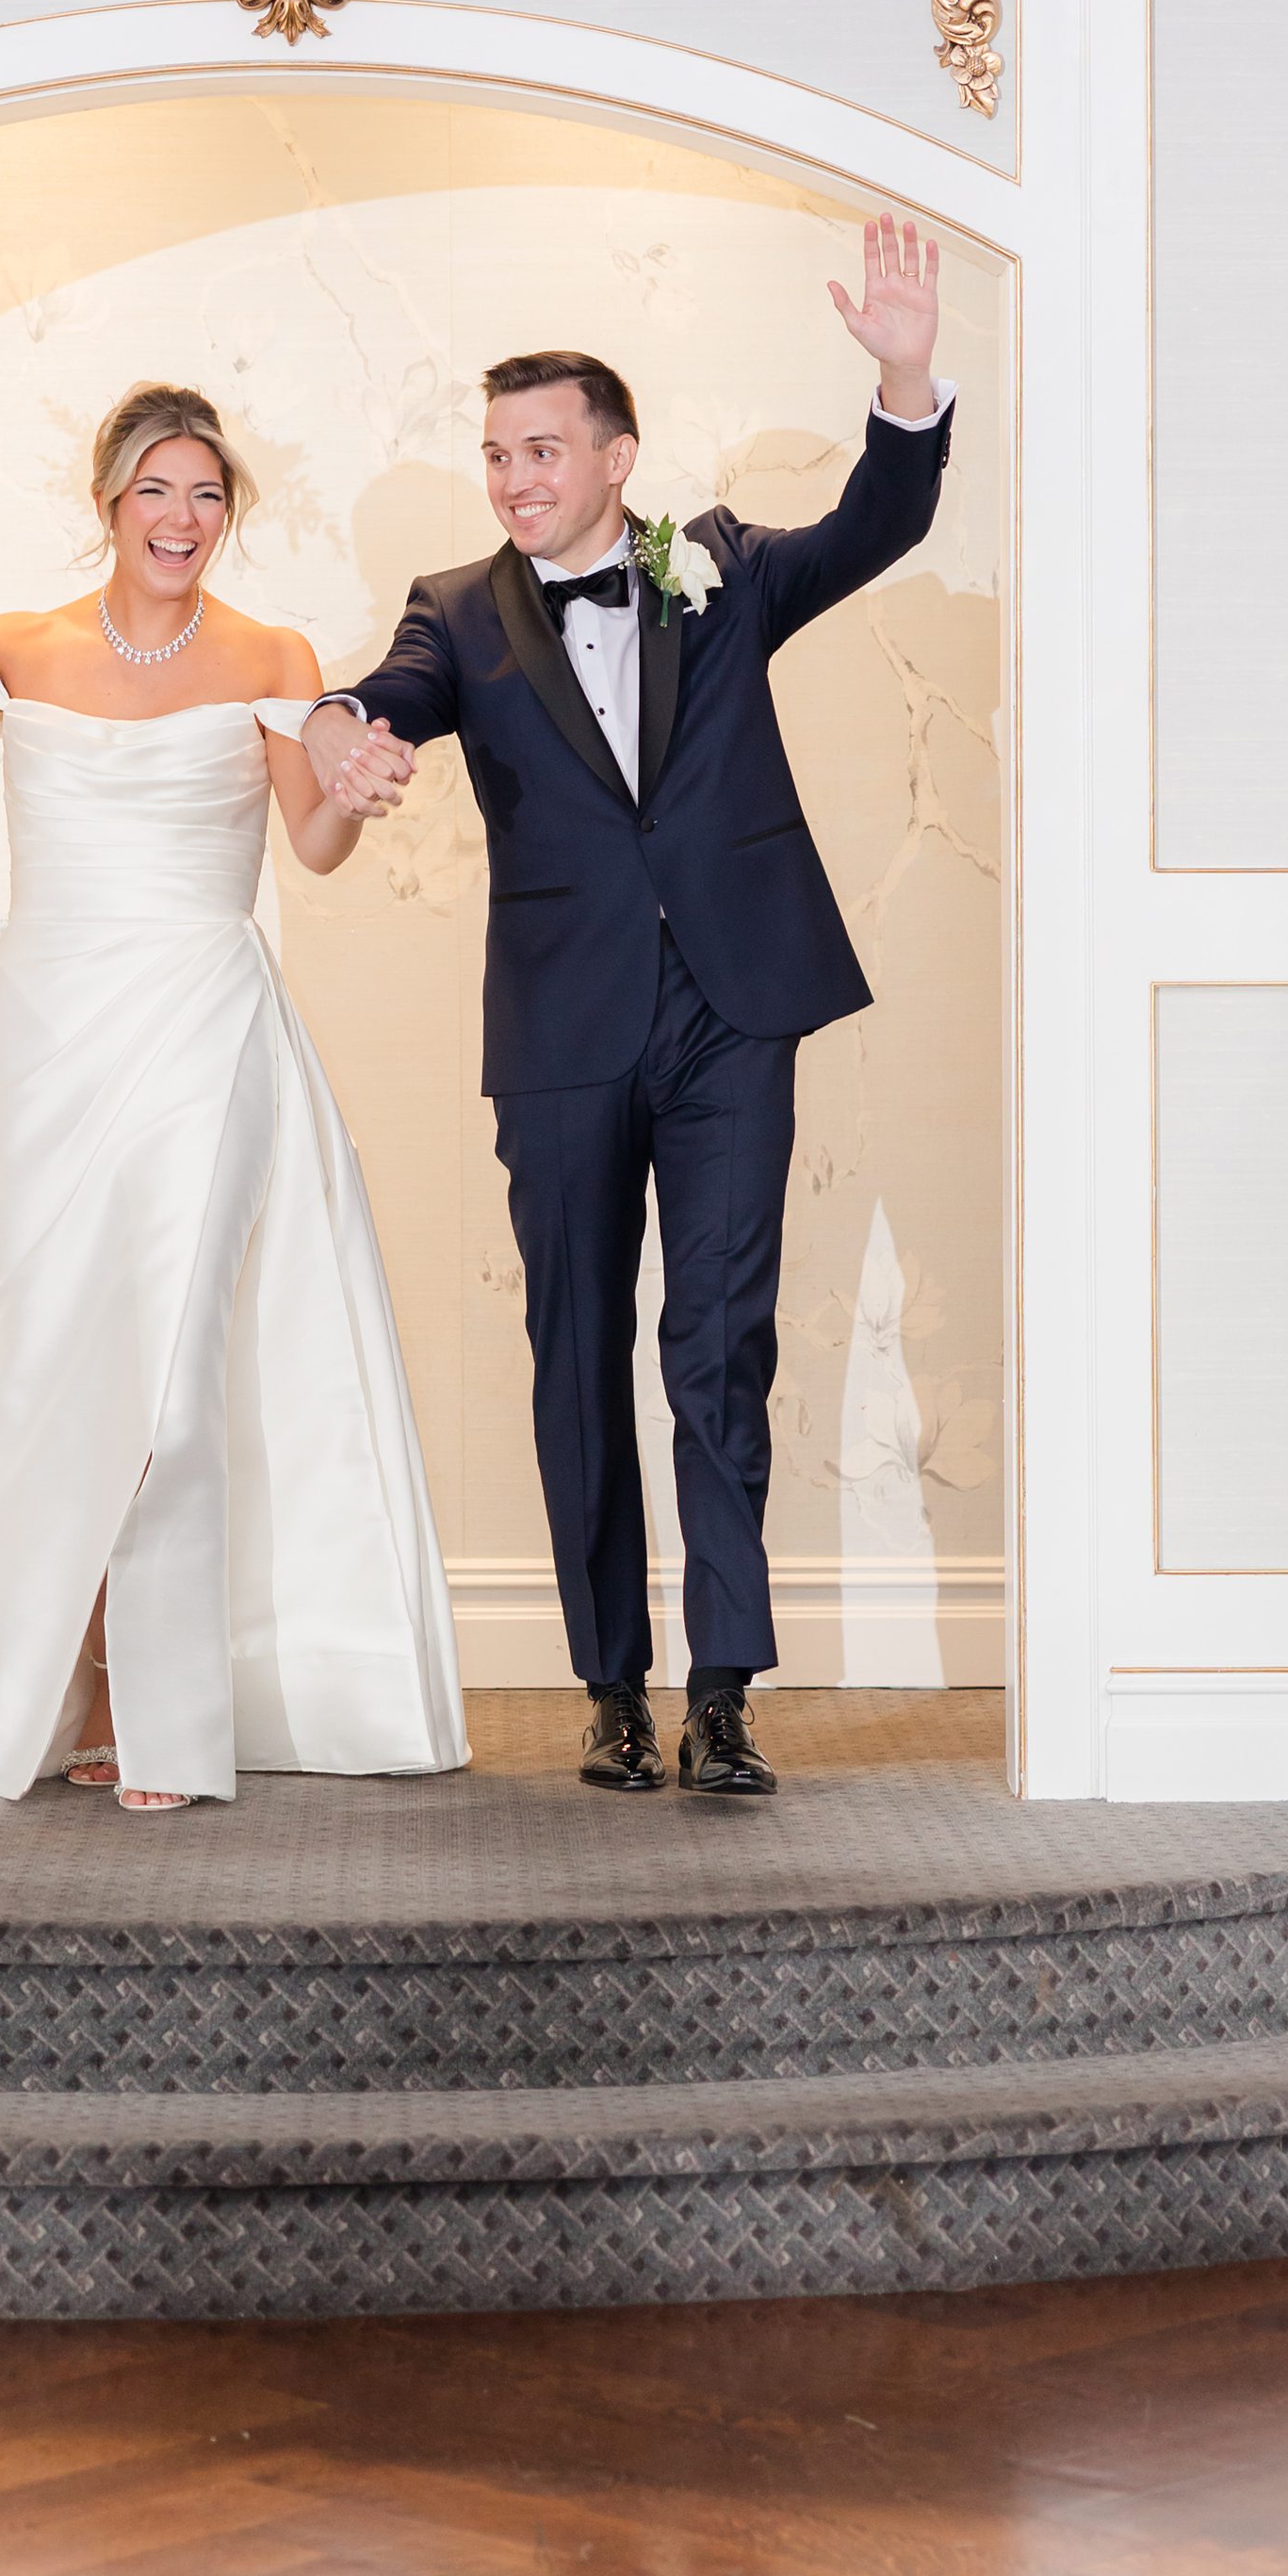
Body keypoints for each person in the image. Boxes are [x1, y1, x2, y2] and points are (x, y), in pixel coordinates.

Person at [0, 380, 468, 1812]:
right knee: (54, 1352)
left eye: (206, 496)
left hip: (204, 1019)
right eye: (156, 492)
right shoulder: (19, 647)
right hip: (47, 1030)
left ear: (225, 512)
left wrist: (353, 796)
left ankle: (171, 1722)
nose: (182, 518)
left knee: (172, 1366)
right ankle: (62, 1694)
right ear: (110, 504)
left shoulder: (271, 650)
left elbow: (307, 845)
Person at [307, 216, 952, 1799]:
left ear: (617, 456)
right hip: (565, 1029)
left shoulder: (722, 564)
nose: (514, 477)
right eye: (492, 454)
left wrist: (907, 379)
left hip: (735, 1010)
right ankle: (610, 1684)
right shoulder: (456, 607)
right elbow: (386, 690)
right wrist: (339, 725)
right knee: (576, 1349)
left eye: (541, 448)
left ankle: (723, 1689)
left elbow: (877, 521)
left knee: (719, 1344)